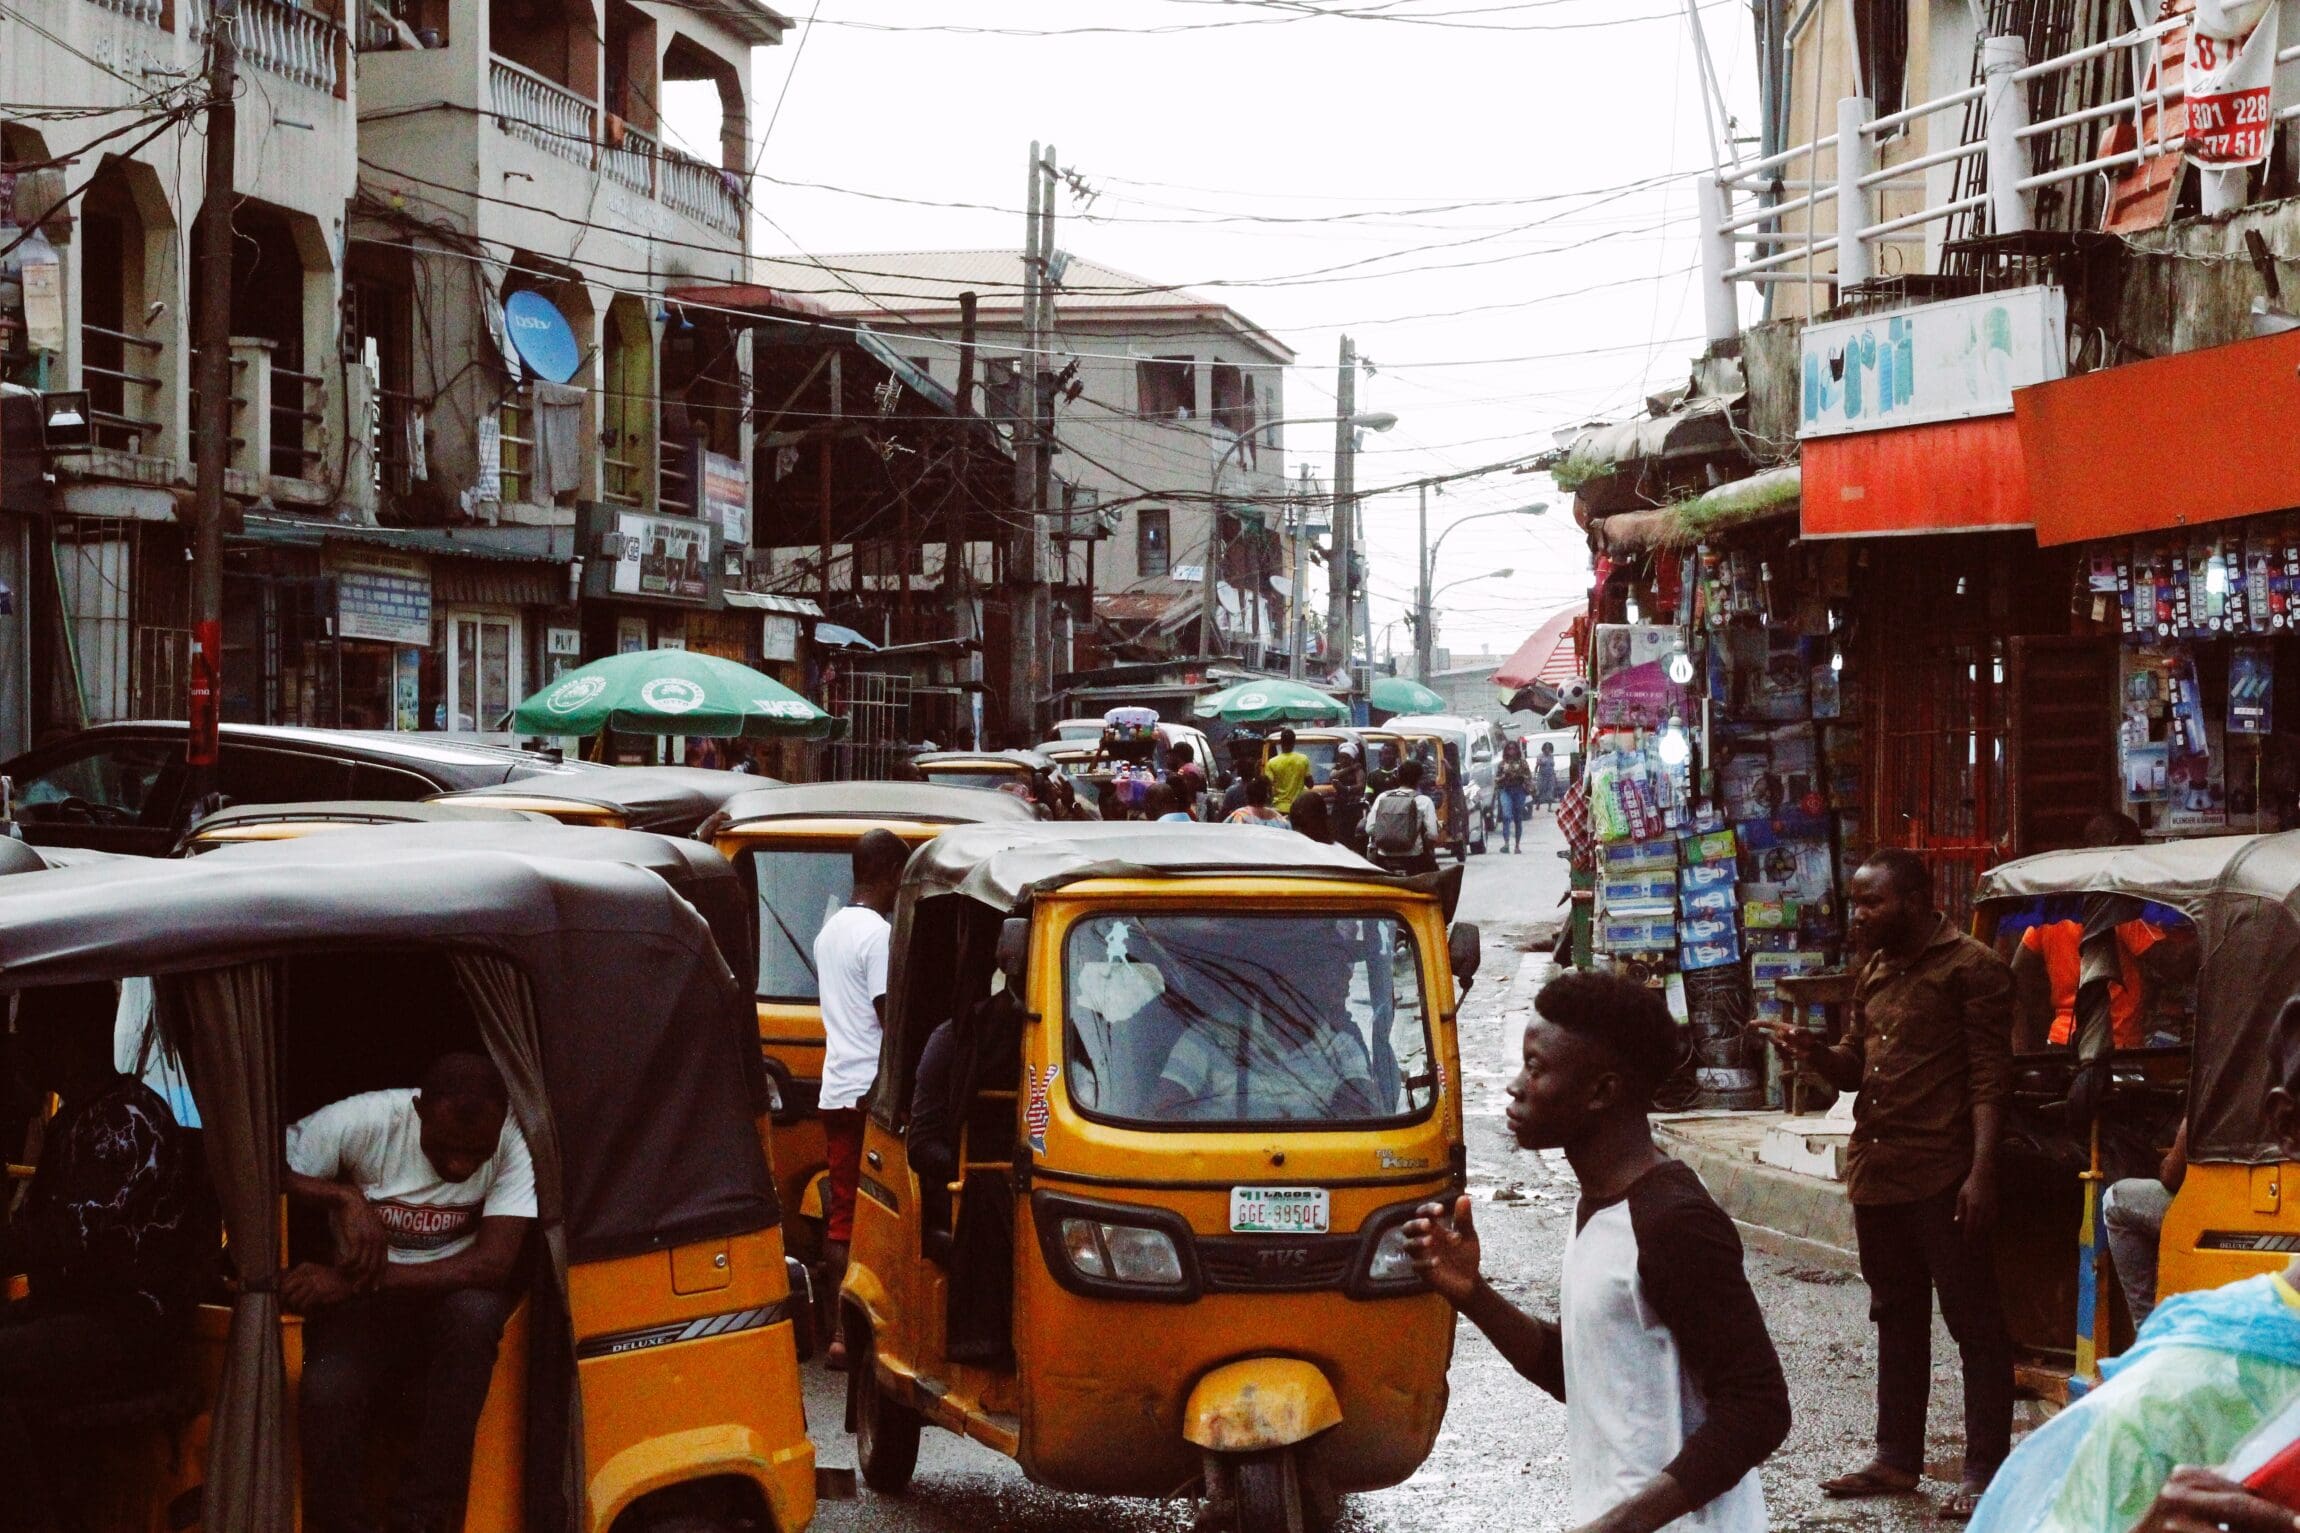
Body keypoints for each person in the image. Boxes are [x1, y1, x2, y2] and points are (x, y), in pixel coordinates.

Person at [1405, 972, 1790, 1533]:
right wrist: (1473, 1294)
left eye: (1536, 1068)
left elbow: (1759, 1409)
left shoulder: (1673, 1220)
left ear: (1602, 1093)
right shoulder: (1601, 1206)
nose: (1516, 1086)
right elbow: (1586, 1379)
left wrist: (1620, 1524)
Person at [1964, 998, 2300, 1533]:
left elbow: (2169, 1174)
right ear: (2289, 1124)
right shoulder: (2165, 1404)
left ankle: (2144, 1320)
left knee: (2118, 1203)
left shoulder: (2172, 1394)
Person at [1767, 848, 2015, 1520]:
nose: (1859, 915)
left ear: (1912, 899)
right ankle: (1897, 1456)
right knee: (1895, 1314)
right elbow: (1853, 1069)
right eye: (1856, 901)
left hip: (1945, 1172)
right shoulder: (1874, 970)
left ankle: (1987, 1467)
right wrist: (1813, 1051)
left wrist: (1982, 1172)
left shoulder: (1973, 969)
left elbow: (1993, 1079)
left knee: (1975, 1324)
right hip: (1880, 1173)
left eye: (1871, 901)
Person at [285, 1052, 537, 1533]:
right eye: (443, 1147)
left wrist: (351, 1280)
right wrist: (342, 1196)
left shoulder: (514, 1139)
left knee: (477, 1317)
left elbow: (492, 1264)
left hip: (439, 1292)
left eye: (475, 1152)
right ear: (419, 1111)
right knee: (325, 1390)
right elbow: (260, 1165)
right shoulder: (365, 1120)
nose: (460, 1163)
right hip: (366, 1306)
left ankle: (418, 1520)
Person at [0, 985, 201, 1533]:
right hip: (68, 1315)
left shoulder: (125, 1120)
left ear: (63, 1040)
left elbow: (65, 1237)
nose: (17, 1051)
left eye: (29, 1036)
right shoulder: (75, 1118)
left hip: (125, 1327)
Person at [814, 827, 908, 1370]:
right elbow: (886, 1017)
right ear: (892, 874)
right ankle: (859, 1332)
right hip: (871, 1093)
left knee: (842, 1214)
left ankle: (836, 1334)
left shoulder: (830, 932)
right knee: (877, 1217)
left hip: (836, 1088)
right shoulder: (877, 934)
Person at [2103, 1120, 2186, 1332]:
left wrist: (2166, 1161)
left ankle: (2149, 1332)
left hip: (2216, 1210)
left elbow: (2172, 1176)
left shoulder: (2214, 1088)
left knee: (2115, 1201)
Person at [1366, 758, 1441, 874]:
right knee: (1435, 885)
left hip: (1383, 858)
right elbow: (1433, 835)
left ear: (1398, 777)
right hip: (1414, 858)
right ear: (1419, 779)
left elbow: (1369, 828)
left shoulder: (1382, 797)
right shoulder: (1424, 801)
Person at [1496, 740, 1534, 853]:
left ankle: (1517, 845)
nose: (1511, 751)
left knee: (1518, 818)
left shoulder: (1522, 763)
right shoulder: (1502, 764)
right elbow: (1496, 779)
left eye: (1513, 748)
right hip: (1506, 791)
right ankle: (1506, 843)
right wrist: (1504, 776)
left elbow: (1528, 776)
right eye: (1509, 749)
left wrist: (1520, 776)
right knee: (1506, 816)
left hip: (1519, 791)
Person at [1265, 728, 1313, 815]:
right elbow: (1310, 784)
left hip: (1279, 808)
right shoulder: (1303, 759)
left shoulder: (1272, 762)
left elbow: (1268, 787)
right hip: (1299, 807)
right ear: (1294, 742)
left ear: (1281, 742)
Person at [1165, 741, 1206, 816]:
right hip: (1199, 810)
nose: (1169, 757)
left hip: (1192, 812)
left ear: (1177, 756)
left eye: (1172, 754)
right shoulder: (1194, 768)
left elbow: (1186, 796)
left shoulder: (1185, 771)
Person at [1534, 739, 1563, 808]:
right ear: (1543, 749)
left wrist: (1555, 777)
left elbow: (1552, 767)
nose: (1547, 750)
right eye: (1546, 748)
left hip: (1550, 776)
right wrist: (1535, 775)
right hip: (1542, 776)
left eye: (1549, 749)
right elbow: (1537, 766)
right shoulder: (1540, 756)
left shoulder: (1551, 756)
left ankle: (1549, 807)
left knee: (1550, 791)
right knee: (1540, 791)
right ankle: (1538, 803)